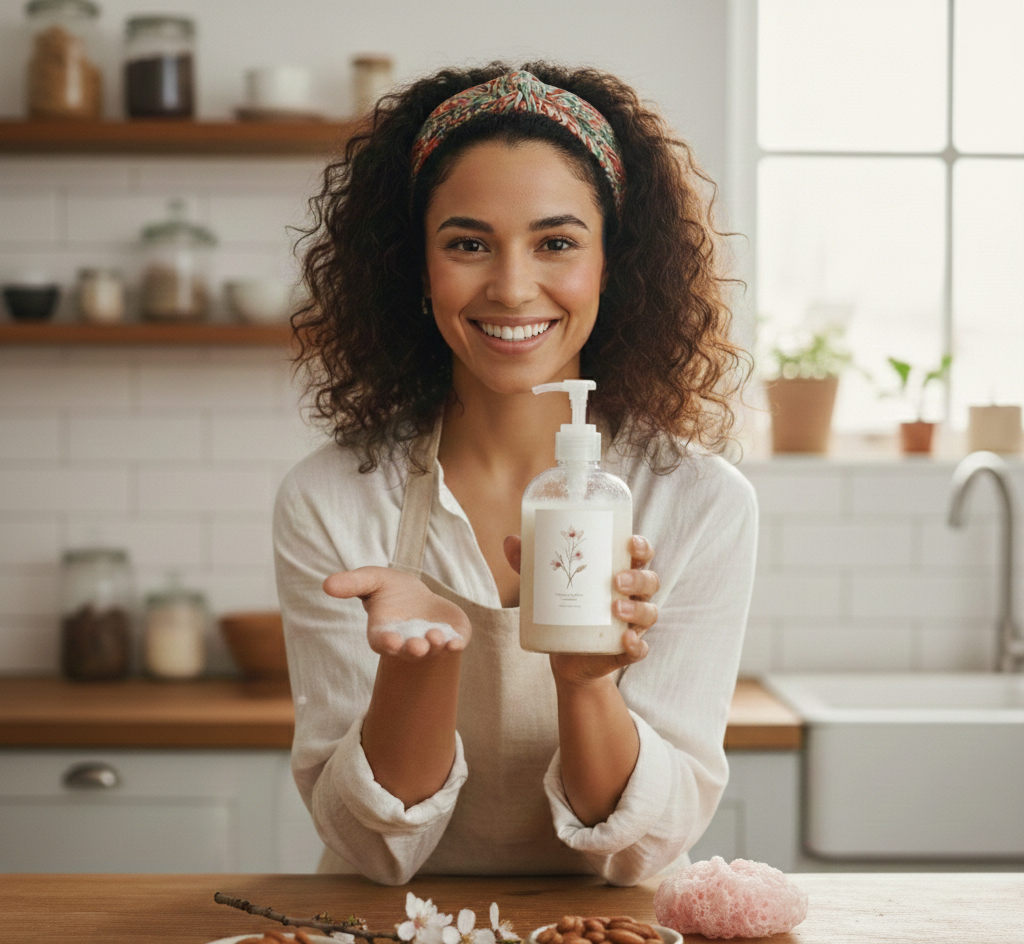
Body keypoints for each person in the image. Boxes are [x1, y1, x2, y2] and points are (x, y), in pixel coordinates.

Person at [273, 62, 757, 886]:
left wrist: (588, 681)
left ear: (614, 263)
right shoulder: (334, 497)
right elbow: (372, 849)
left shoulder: (698, 500)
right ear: (415, 268)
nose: (510, 287)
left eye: (557, 243)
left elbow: (644, 847)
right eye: (467, 244)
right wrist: (418, 663)